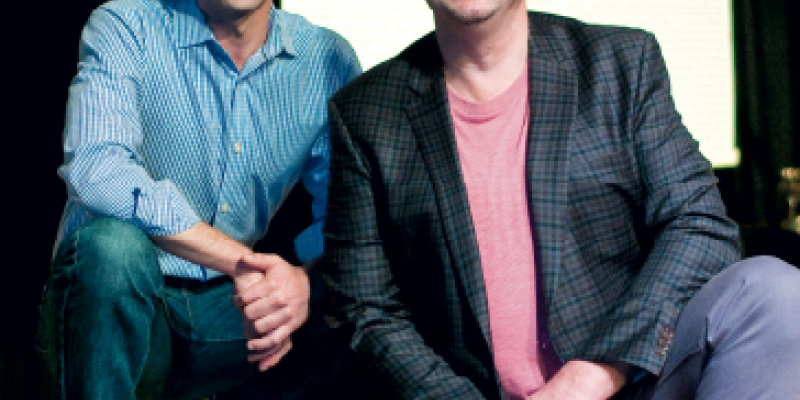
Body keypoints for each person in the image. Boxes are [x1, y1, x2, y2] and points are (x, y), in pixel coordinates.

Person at [321, 0, 800, 399]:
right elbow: (366, 309)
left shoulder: (619, 62)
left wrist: (593, 375)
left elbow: (698, 223)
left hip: (634, 382)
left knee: (771, 291)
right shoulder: (365, 113)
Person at [35, 0, 361, 398]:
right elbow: (98, 171)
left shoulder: (328, 58)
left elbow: (352, 218)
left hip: (228, 312)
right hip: (122, 303)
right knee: (111, 249)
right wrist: (240, 262)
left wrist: (302, 285)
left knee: (363, 305)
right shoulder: (128, 24)